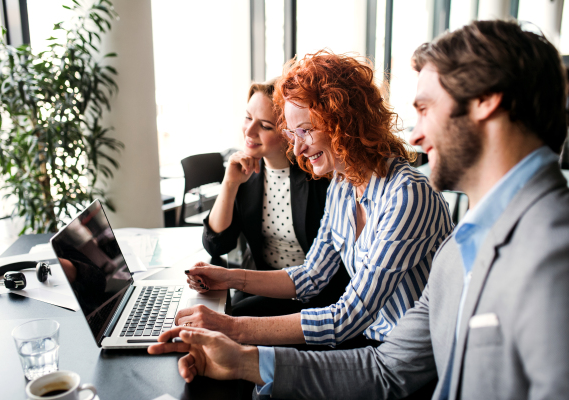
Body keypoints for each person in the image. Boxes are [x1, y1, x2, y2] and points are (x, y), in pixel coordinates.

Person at [149, 20, 569, 399]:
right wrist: (242, 359)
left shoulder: (551, 253)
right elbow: (387, 369)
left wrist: (236, 330)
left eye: (424, 109)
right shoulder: (459, 250)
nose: (417, 135)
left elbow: (353, 322)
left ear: (485, 102)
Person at [176, 51, 453, 349]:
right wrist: (228, 278)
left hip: (403, 353)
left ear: (344, 122)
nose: (297, 151)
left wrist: (231, 327)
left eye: (305, 131)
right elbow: (311, 276)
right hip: (370, 338)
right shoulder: (342, 186)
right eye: (292, 135)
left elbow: (348, 316)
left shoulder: (406, 195)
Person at [202, 79, 350, 316]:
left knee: (227, 321)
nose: (249, 132)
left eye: (265, 126)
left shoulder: (320, 177)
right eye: (248, 118)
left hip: (315, 294)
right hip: (262, 287)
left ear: (289, 133)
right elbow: (217, 244)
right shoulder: (244, 175)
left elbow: (328, 270)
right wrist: (229, 184)